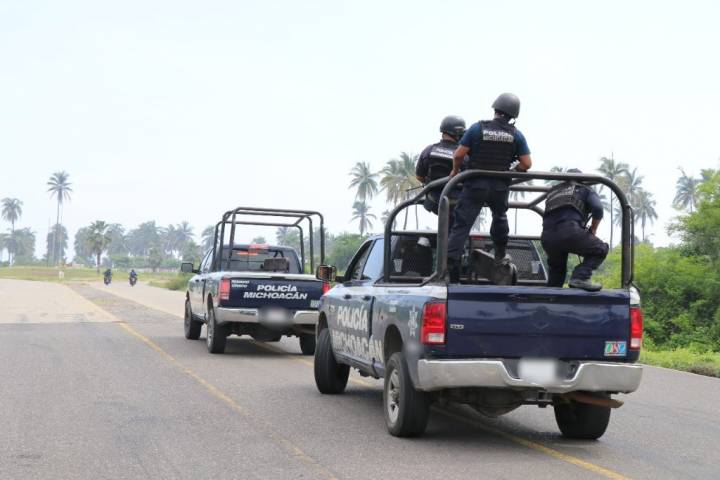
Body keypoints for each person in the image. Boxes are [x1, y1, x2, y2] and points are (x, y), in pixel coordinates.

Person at [446, 93, 532, 282]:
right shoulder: (515, 134)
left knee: (461, 226)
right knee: (499, 217)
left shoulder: (478, 128)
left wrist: (455, 171)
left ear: (495, 109)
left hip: (474, 183)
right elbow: (527, 163)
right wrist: (512, 170)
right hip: (499, 187)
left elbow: (459, 154)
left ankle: (451, 269)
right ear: (513, 114)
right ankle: (500, 255)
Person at [540, 169, 609, 291]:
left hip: (547, 238)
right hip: (569, 232)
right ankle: (580, 277)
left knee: (557, 271)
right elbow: (598, 209)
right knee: (601, 249)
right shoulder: (584, 189)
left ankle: (549, 299)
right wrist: (593, 229)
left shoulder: (552, 192)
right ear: (581, 179)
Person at [415, 116, 466, 216]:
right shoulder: (464, 154)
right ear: (459, 133)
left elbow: (419, 177)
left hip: (434, 201)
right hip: (458, 203)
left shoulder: (429, 150)